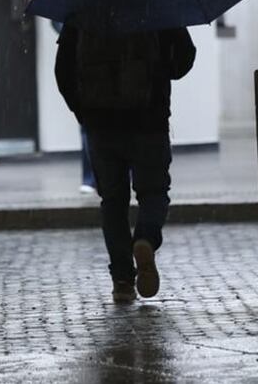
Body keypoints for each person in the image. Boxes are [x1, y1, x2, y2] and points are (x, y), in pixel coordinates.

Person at [55, 24, 195, 303]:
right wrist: (160, 71)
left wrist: (84, 112)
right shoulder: (156, 7)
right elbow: (184, 58)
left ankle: (122, 280)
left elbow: (63, 71)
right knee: (154, 192)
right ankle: (145, 238)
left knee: (113, 201)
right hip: (149, 121)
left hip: (101, 124)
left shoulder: (83, 11)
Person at [51, 20, 97, 193]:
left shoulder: (78, 15)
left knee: (90, 132)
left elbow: (63, 72)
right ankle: (93, 177)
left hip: (93, 88)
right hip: (125, 91)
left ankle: (92, 178)